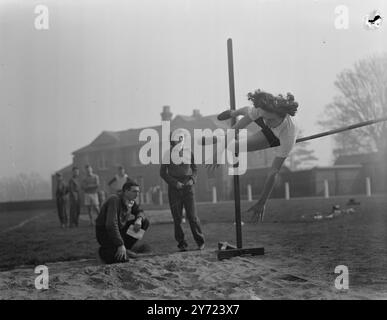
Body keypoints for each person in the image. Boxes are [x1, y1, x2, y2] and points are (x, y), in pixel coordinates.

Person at [205, 89, 299, 222]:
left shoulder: (288, 134)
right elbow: (235, 129)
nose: (266, 123)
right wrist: (217, 153)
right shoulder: (262, 113)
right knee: (248, 113)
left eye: (270, 119)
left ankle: (220, 138)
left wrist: (262, 202)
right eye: (265, 118)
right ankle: (233, 112)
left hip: (276, 135)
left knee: (234, 147)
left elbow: (273, 172)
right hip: (264, 119)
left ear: (280, 116)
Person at [160, 131, 205, 252]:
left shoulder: (189, 152)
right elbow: (163, 173)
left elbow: (195, 169)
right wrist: (175, 183)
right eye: (177, 138)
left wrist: (192, 180)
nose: (180, 140)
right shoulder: (167, 154)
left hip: (188, 186)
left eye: (182, 138)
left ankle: (200, 242)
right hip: (174, 188)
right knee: (177, 218)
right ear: (172, 140)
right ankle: (182, 244)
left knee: (192, 216)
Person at [95, 181, 150, 264]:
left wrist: (138, 219)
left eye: (138, 191)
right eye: (134, 191)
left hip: (119, 230)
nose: (137, 194)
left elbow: (140, 211)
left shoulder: (131, 201)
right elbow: (111, 225)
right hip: (105, 233)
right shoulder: (114, 200)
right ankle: (104, 251)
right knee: (122, 259)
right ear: (125, 191)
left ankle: (126, 248)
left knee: (144, 222)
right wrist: (120, 244)